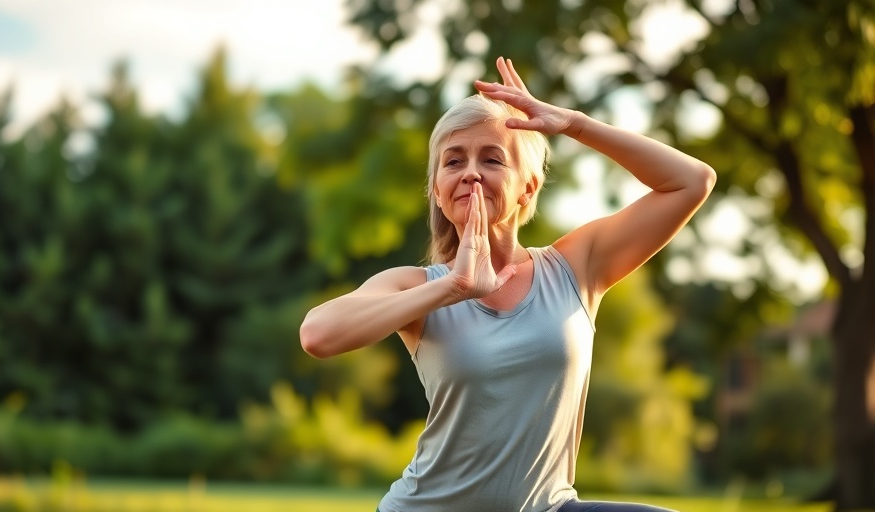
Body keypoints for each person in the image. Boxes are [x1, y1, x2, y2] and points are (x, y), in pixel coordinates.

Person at [299, 56, 715, 512]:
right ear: (438, 190)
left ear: (529, 188)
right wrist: (454, 287)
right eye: (453, 161)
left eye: (492, 158)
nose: (470, 172)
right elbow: (318, 334)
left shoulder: (576, 267)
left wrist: (573, 124)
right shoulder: (417, 286)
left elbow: (691, 181)